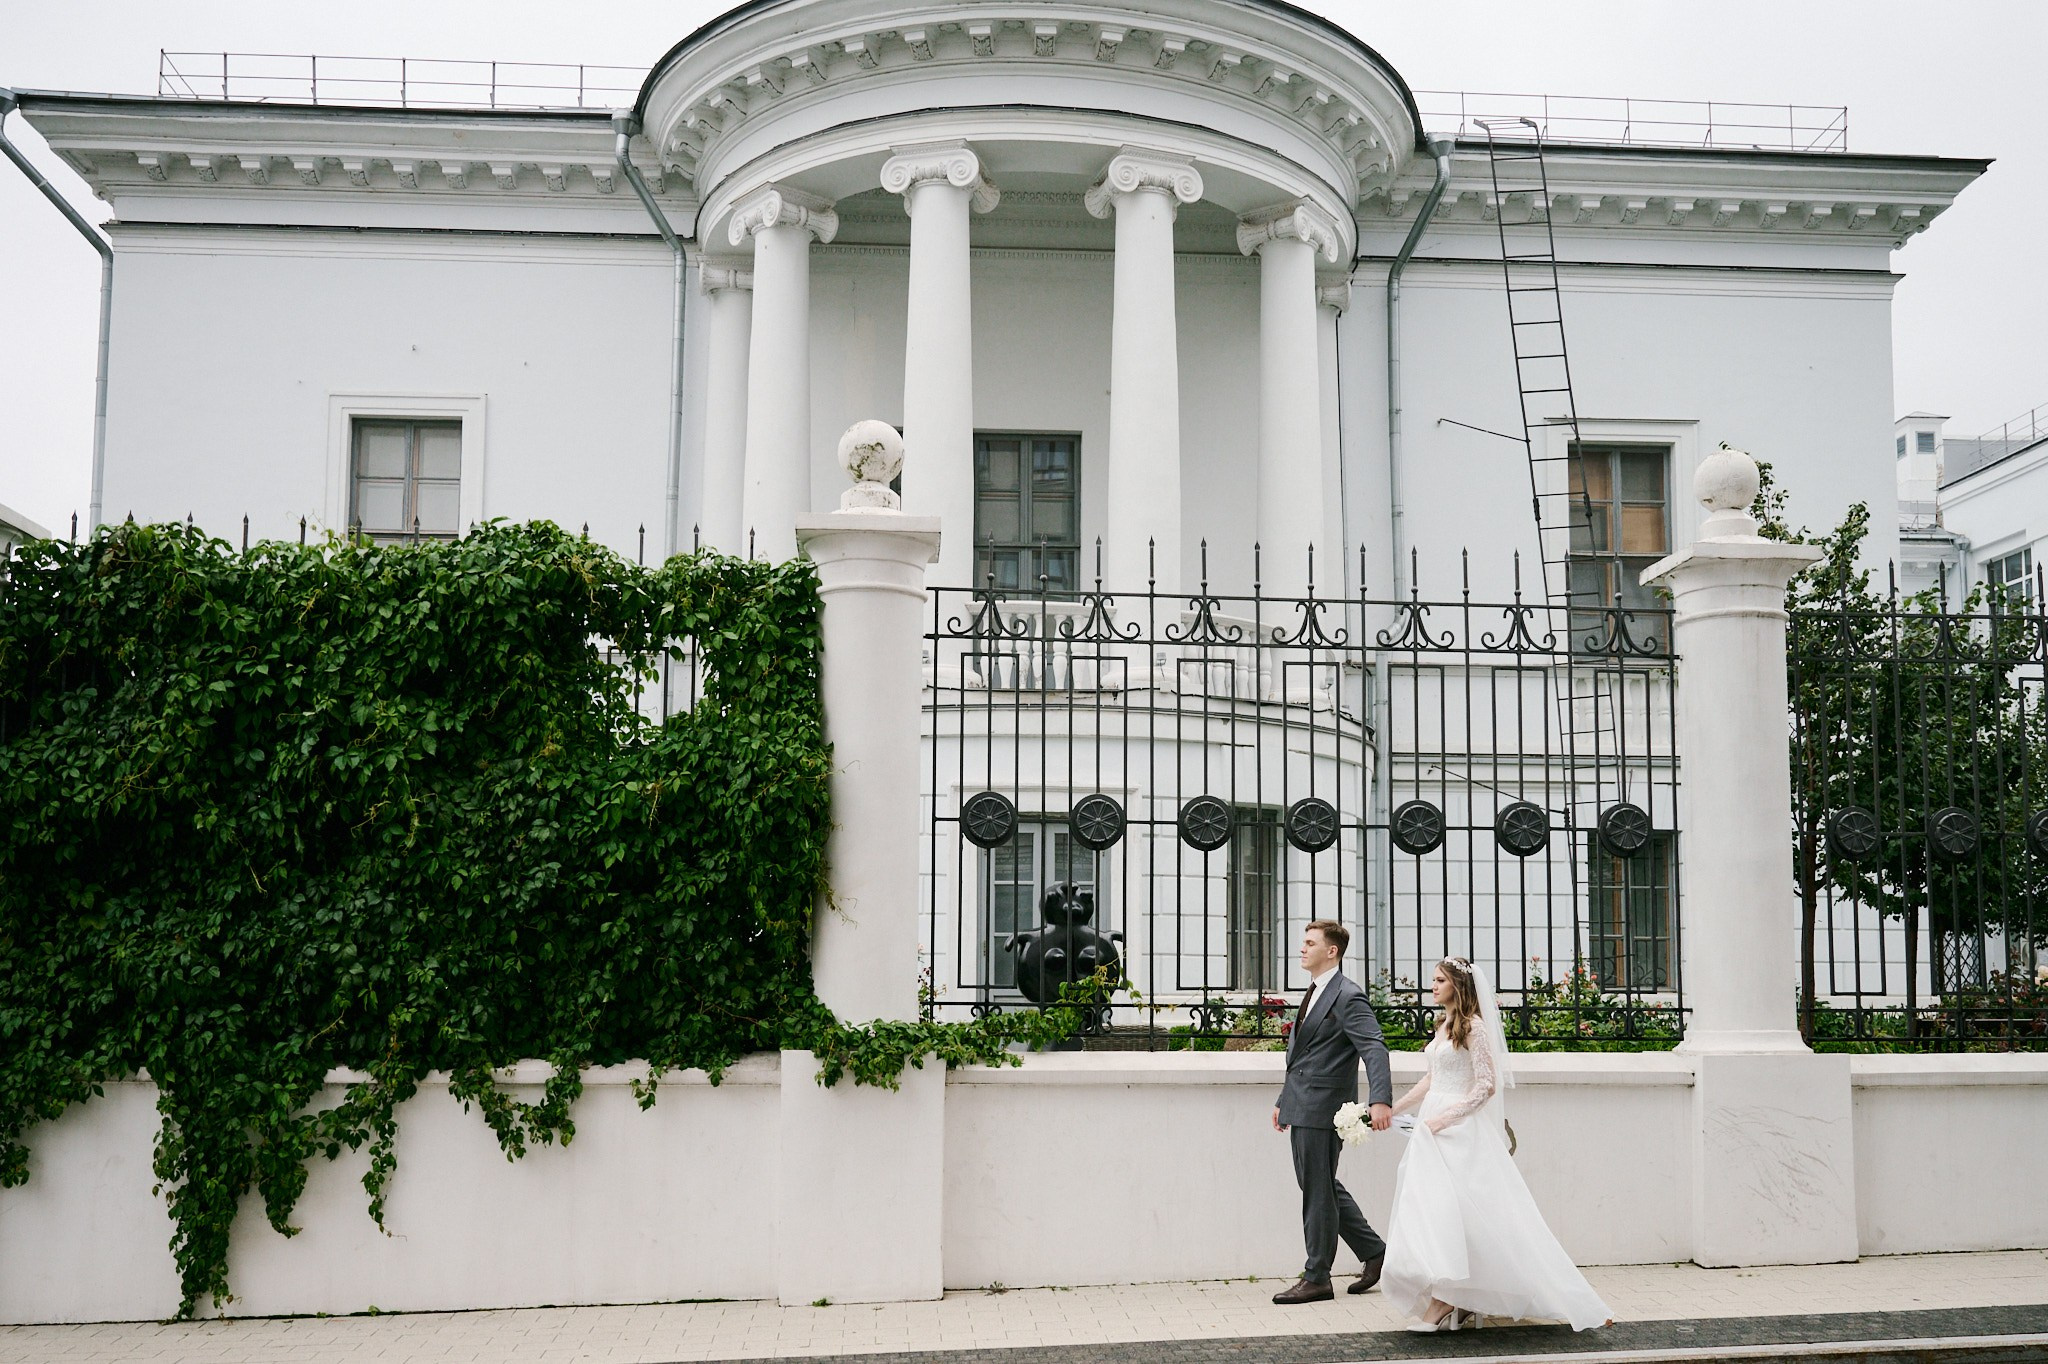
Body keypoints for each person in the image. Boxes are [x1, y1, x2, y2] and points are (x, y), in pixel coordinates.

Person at [1380, 957, 1612, 1332]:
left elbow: (1486, 1085)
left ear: (1458, 985)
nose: (1433, 986)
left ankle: (1449, 1297)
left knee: (1469, 1213)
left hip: (1459, 1130)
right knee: (1433, 1209)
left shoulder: (1474, 1027)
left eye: (1440, 980)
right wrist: (1394, 1108)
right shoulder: (1443, 1025)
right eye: (1433, 980)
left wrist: (1445, 1118)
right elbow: (1431, 1079)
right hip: (1431, 1128)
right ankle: (1447, 1291)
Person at [1268, 919, 1393, 1305]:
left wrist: (1380, 1099)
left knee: (1318, 1193)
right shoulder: (1316, 990)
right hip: (1303, 1104)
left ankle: (1318, 1276)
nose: (1302, 949)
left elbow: (1374, 1047)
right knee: (1320, 1187)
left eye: (1310, 943)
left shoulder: (1347, 995)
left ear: (1332, 951)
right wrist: (1283, 1101)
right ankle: (1375, 1253)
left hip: (1324, 1109)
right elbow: (1306, 1055)